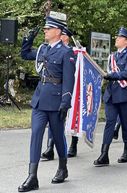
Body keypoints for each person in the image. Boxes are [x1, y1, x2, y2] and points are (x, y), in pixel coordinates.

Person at [18, 16, 75, 192]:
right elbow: (25, 54)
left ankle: (63, 168)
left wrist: (65, 102)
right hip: (40, 100)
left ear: (57, 31)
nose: (45, 31)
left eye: (48, 29)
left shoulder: (66, 52)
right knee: (36, 135)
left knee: (58, 138)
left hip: (56, 101)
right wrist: (29, 37)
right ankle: (32, 176)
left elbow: (68, 80)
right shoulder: (43, 49)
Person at [93, 27, 127, 167]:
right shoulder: (112, 56)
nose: (116, 40)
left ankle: (126, 151)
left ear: (126, 41)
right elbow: (108, 71)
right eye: (116, 37)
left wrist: (111, 75)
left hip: (125, 94)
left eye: (119, 37)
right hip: (112, 94)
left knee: (125, 123)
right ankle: (104, 154)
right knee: (109, 123)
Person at [41, 27, 79, 160]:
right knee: (55, 121)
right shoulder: (51, 49)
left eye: (63, 35)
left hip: (70, 91)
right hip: (56, 92)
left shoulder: (74, 52)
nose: (61, 37)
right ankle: (50, 147)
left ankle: (73, 145)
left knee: (74, 118)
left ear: (67, 37)